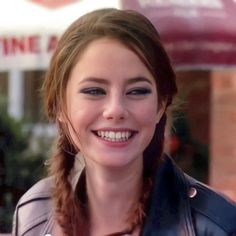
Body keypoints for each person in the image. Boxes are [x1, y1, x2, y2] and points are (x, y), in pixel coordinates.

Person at [12, 8, 236, 236]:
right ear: (60, 104)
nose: (116, 110)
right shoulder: (34, 214)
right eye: (94, 90)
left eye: (137, 91)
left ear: (161, 105)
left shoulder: (219, 225)